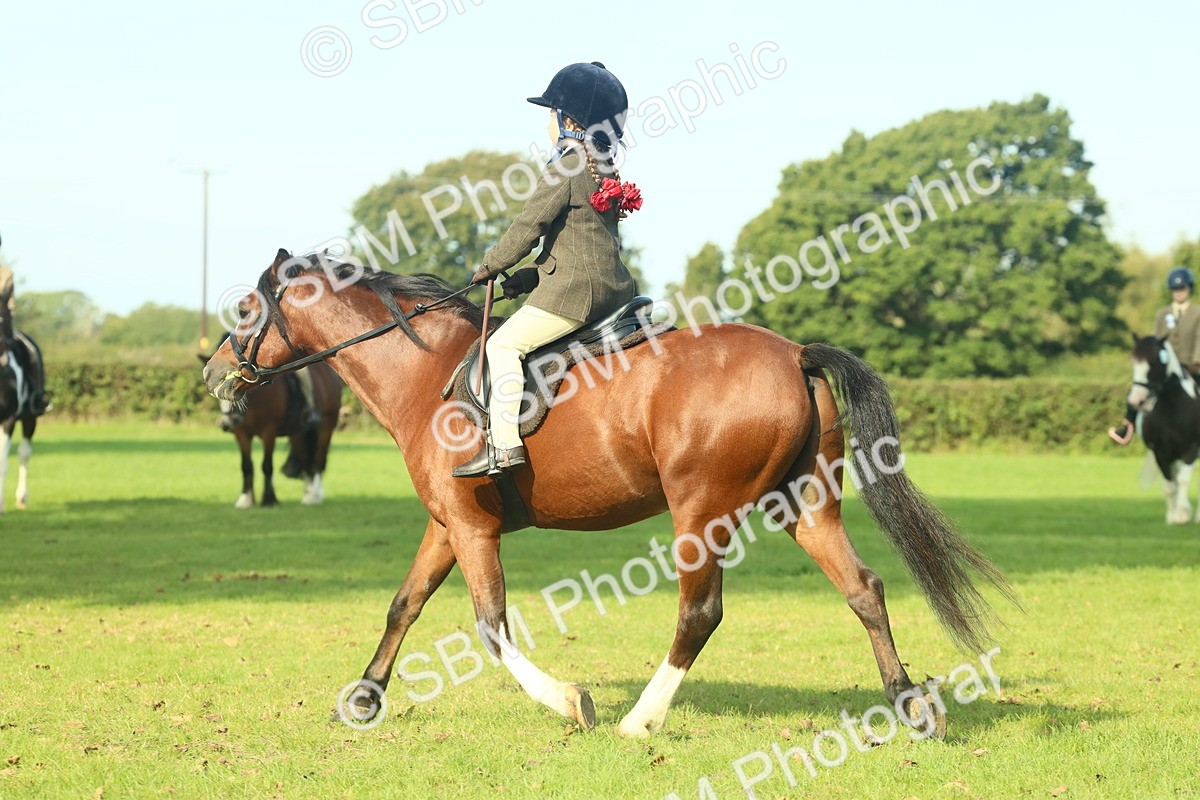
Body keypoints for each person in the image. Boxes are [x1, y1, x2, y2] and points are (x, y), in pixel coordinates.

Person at [452, 61, 640, 478]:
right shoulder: (605, 168)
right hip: (616, 290)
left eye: (551, 115)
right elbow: (580, 244)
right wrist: (525, 279)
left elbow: (528, 228)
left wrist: (490, 266)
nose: (547, 124)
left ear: (568, 120)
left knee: (503, 347)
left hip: (577, 295)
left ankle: (503, 446)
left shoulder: (567, 166)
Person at [1109, 266, 1200, 444]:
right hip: (1165, 368)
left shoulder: (1198, 313)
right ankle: (1127, 426)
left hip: (1192, 367)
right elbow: (1155, 342)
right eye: (1175, 288)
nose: (1178, 291)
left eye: (1182, 288)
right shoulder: (1162, 314)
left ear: (1189, 288)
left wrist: (1197, 361)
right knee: (1138, 388)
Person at [0, 232, 49, 415]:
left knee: (31, 350)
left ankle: (36, 395)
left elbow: (10, 302)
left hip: (3, 324)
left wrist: (8, 316)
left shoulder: (5, 273)